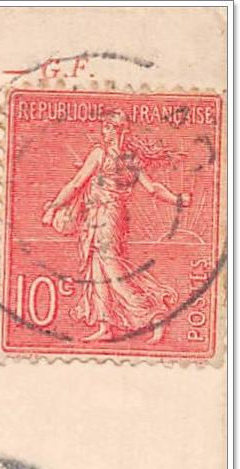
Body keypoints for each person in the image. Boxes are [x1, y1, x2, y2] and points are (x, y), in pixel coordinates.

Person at [41, 110, 192, 344]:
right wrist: (177, 199)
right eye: (105, 127)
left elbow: (76, 184)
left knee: (111, 268)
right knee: (97, 269)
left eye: (109, 128)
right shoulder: (131, 158)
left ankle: (153, 313)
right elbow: (152, 188)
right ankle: (105, 326)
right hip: (101, 216)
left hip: (107, 216)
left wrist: (54, 206)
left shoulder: (101, 154)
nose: (105, 132)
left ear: (118, 130)